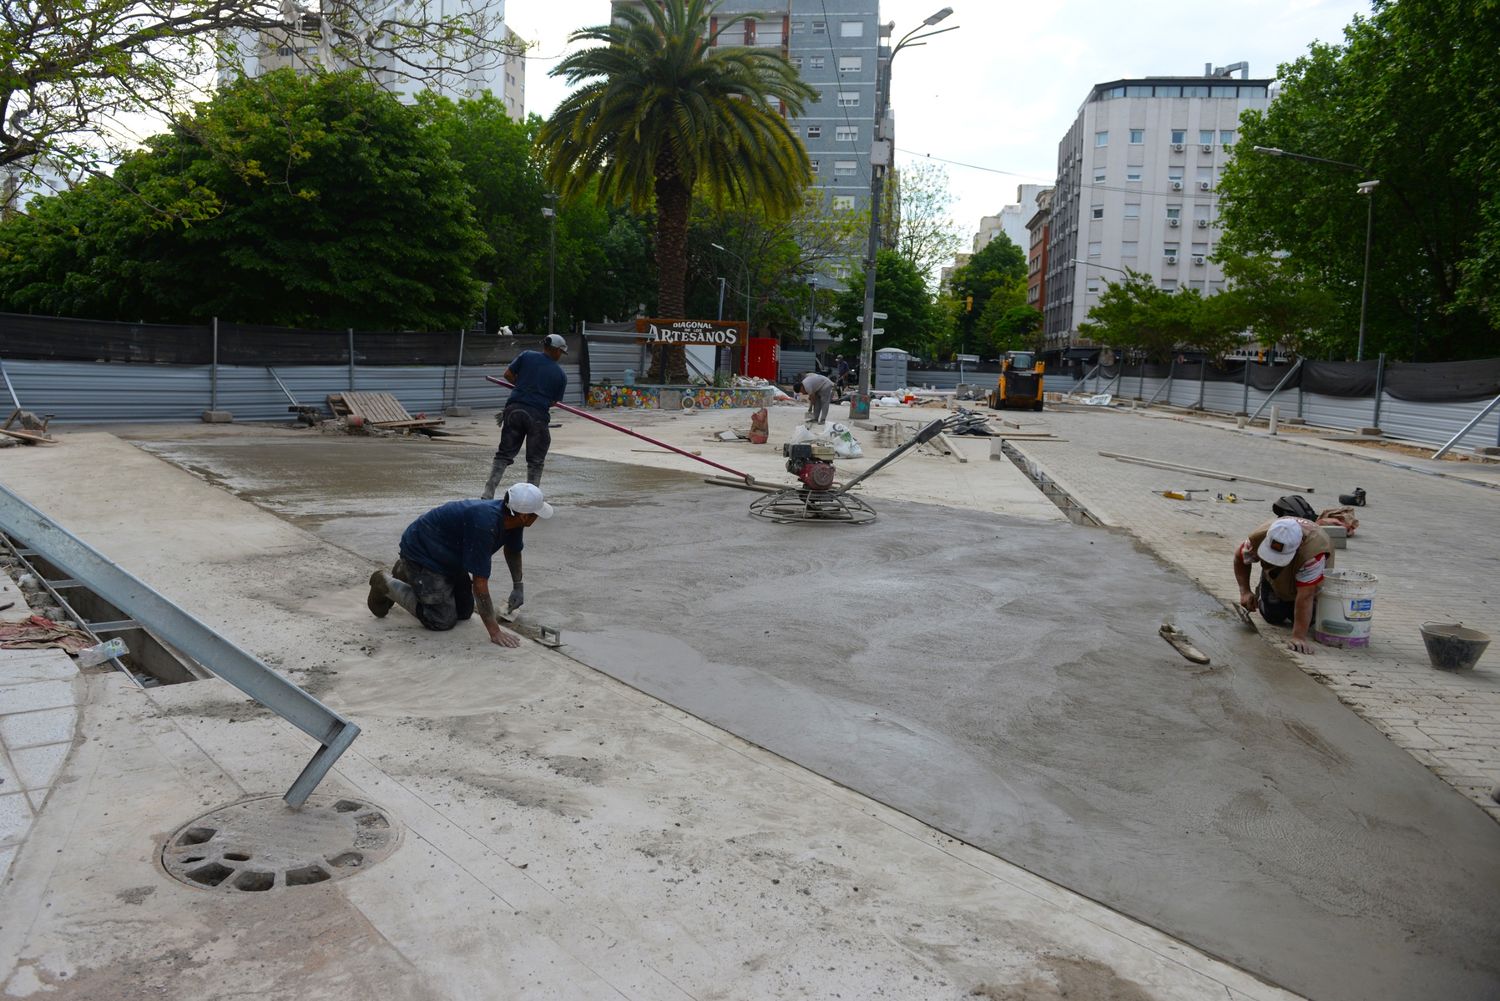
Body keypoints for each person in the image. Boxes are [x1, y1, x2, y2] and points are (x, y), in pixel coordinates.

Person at [367, 484, 555, 648]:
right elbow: (480, 585)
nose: (538, 517)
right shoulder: (485, 524)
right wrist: (494, 632)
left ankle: (406, 571)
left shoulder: (512, 519)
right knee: (441, 619)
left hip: (449, 556)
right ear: (523, 516)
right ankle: (384, 582)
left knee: (464, 612)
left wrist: (518, 586)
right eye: (536, 513)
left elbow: (513, 550)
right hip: (423, 553)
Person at [481, 333, 568, 499]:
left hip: (514, 410)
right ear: (556, 350)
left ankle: (488, 492)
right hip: (537, 417)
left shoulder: (527, 356)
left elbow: (507, 374)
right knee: (535, 461)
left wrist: (522, 386)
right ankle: (532, 498)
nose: (560, 357)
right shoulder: (560, 375)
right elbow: (553, 402)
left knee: (504, 454)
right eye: (560, 353)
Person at [1232, 515, 1334, 654]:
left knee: (1306, 621)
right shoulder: (1259, 537)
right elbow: (1239, 557)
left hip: (1308, 580)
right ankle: (1267, 586)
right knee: (1273, 616)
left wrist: (1298, 637)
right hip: (1277, 576)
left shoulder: (1313, 553)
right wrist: (1245, 591)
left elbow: (1306, 595)